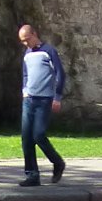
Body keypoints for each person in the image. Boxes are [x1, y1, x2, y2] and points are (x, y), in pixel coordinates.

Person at [17, 20, 66, 186]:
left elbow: (60, 74)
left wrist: (57, 97)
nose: (25, 43)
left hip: (44, 100)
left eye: (27, 39)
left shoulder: (48, 51)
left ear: (34, 34)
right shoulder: (27, 54)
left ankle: (57, 162)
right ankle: (32, 175)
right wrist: (24, 92)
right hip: (29, 100)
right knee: (26, 138)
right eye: (22, 41)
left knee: (38, 134)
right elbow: (25, 75)